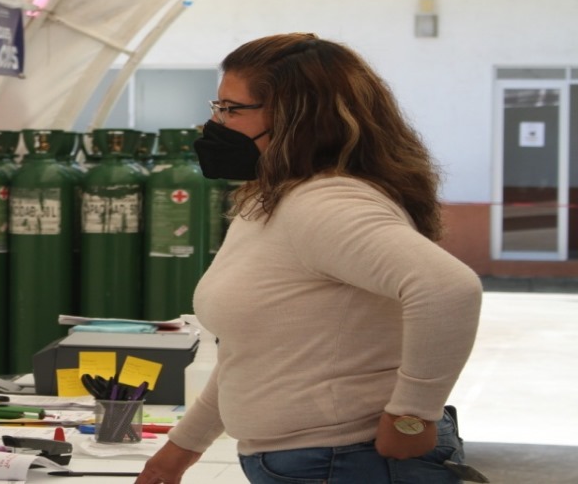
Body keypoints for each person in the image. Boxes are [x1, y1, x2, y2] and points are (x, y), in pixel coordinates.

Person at [136, 33, 484, 484]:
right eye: (216, 107)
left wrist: (412, 415)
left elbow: (447, 289)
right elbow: (254, 355)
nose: (215, 123)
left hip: (344, 462)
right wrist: (180, 450)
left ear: (297, 118)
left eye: (231, 109)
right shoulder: (273, 201)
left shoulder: (325, 205)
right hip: (312, 461)